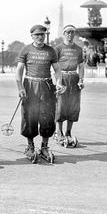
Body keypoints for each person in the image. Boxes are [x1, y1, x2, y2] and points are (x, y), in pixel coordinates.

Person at [15, 24, 63, 163]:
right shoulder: (25, 50)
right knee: (30, 116)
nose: (40, 37)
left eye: (42, 34)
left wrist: (58, 82)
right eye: (37, 35)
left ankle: (44, 147)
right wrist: (20, 87)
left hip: (47, 86)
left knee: (47, 116)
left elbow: (57, 70)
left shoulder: (51, 51)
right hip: (30, 86)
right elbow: (19, 71)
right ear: (32, 36)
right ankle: (30, 147)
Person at [54, 25, 84, 147]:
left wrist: (81, 80)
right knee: (61, 106)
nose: (70, 35)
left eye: (72, 32)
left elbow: (81, 66)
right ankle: (59, 132)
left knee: (73, 107)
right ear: (64, 34)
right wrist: (57, 81)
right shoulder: (58, 48)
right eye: (67, 32)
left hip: (74, 78)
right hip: (62, 78)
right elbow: (55, 67)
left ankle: (68, 132)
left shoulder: (78, 49)